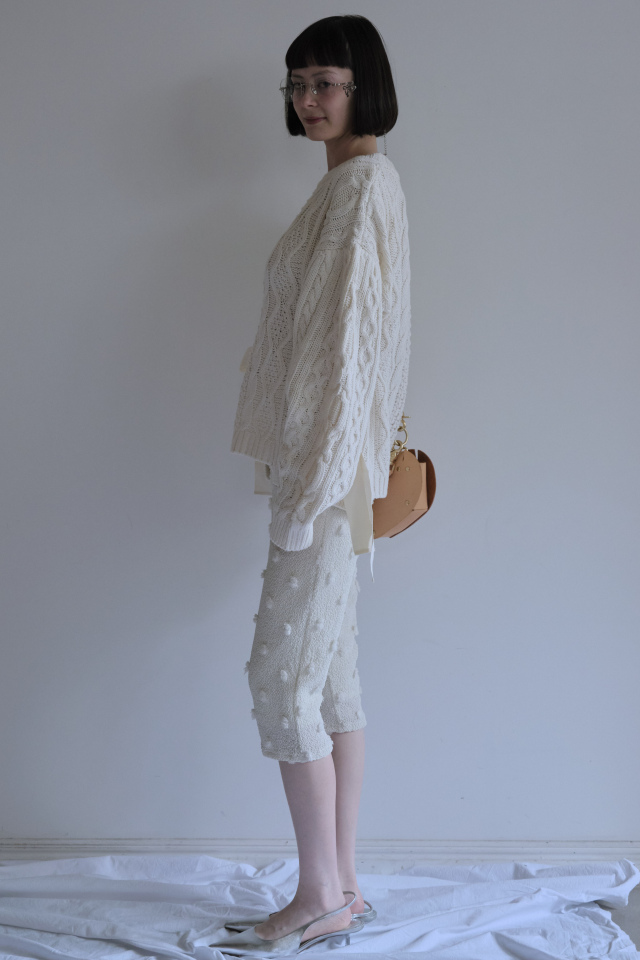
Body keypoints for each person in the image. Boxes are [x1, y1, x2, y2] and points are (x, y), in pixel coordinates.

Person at [215, 14, 411, 956]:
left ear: (364, 86)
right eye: (297, 83)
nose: (308, 99)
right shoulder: (354, 185)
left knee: (281, 680)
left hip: (325, 478)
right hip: (334, 474)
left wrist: (309, 495)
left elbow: (345, 359)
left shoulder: (360, 190)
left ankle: (319, 896)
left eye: (326, 81)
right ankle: (344, 887)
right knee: (328, 680)